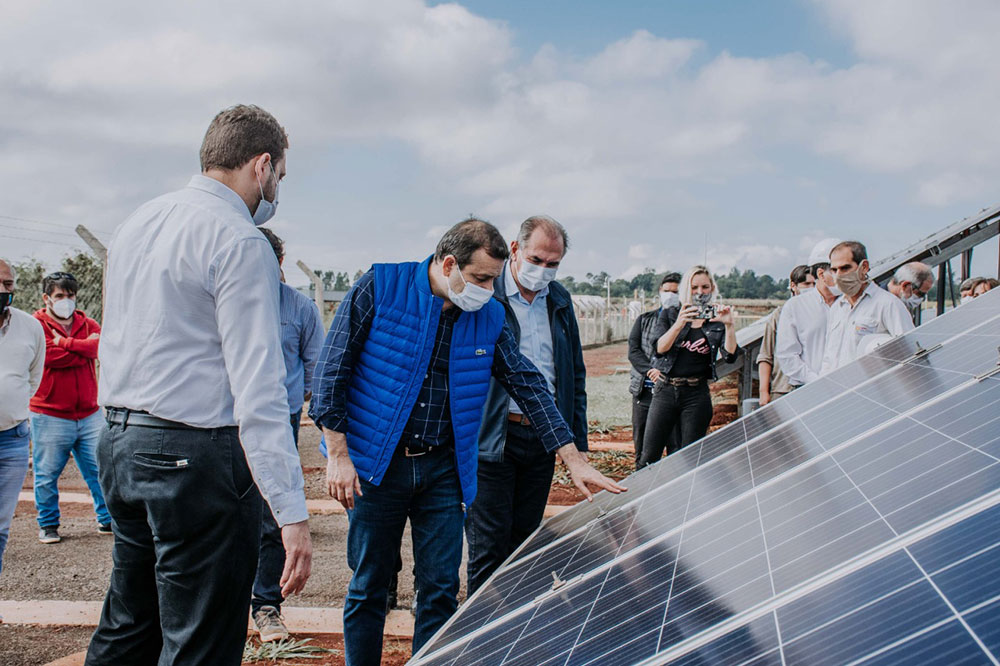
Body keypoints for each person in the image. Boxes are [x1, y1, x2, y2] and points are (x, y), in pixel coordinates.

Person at [309, 218, 624, 666]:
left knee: (440, 588)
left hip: (442, 469)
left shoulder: (488, 316)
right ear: (449, 264)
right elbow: (330, 375)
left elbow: (527, 382)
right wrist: (339, 456)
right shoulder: (381, 287)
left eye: (493, 280)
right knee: (369, 585)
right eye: (481, 279)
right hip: (377, 466)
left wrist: (572, 457)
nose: (488, 289)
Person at [87, 105, 312, 666]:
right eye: (281, 176)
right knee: (201, 640)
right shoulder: (239, 239)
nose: (277, 190)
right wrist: (289, 511)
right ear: (262, 165)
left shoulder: (138, 222)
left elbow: (117, 336)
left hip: (120, 438)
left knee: (129, 621)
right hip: (193, 454)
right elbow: (259, 386)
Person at [465, 215, 589, 596]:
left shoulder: (560, 301)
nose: (543, 270)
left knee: (524, 543)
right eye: (536, 260)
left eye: (553, 264)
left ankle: (515, 620)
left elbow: (574, 375)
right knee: (489, 546)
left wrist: (577, 442)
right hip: (493, 437)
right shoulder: (488, 296)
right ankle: (481, 624)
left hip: (543, 439)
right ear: (516, 250)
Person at [253, 228, 324, 641]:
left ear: (278, 261)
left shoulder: (299, 308)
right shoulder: (221, 300)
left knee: (274, 511)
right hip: (224, 423)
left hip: (281, 419)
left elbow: (316, 368)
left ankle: (265, 605)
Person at [29, 272, 111, 544]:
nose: (66, 300)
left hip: (89, 413)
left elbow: (100, 348)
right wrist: (82, 349)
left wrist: (64, 342)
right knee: (46, 474)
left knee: (101, 470)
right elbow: (49, 357)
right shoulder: (36, 326)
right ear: (47, 298)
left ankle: (107, 519)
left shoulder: (88, 323)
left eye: (70, 295)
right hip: (49, 413)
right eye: (59, 296)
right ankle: (48, 524)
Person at [638, 265, 739, 468]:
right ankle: (645, 488)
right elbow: (659, 348)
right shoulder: (671, 314)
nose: (700, 292)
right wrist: (679, 323)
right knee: (649, 455)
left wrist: (729, 325)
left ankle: (685, 489)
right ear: (686, 288)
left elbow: (730, 356)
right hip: (666, 390)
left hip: (696, 393)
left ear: (712, 288)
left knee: (691, 456)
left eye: (705, 287)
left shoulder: (715, 319)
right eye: (694, 287)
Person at [0, 260, 45, 579]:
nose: (2, 290)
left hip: (11, 440)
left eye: (8, 284)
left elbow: (33, 380)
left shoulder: (30, 327)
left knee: (1, 527)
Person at [820, 241, 915, 374]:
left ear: (864, 267)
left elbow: (909, 352)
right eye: (834, 270)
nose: (839, 275)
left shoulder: (888, 304)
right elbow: (828, 357)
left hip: (872, 385)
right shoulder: (837, 308)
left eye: (845, 268)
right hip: (836, 385)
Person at [627, 272, 681, 465]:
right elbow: (634, 351)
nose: (670, 295)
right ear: (660, 291)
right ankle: (643, 479)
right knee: (643, 449)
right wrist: (651, 371)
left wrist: (664, 372)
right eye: (667, 291)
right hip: (644, 392)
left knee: (676, 446)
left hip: (672, 393)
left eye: (675, 292)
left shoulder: (685, 324)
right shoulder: (644, 320)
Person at [775, 238, 842, 388]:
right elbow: (787, 355)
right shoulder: (796, 306)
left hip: (847, 387)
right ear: (821, 273)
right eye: (836, 270)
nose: (843, 275)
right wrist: (817, 381)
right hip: (807, 388)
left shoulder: (851, 304)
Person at [758, 265, 812, 406]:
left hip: (811, 387)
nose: (811, 288)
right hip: (783, 389)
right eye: (806, 284)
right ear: (793, 286)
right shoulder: (779, 315)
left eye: (814, 284)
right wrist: (763, 392)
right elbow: (766, 355)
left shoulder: (821, 313)